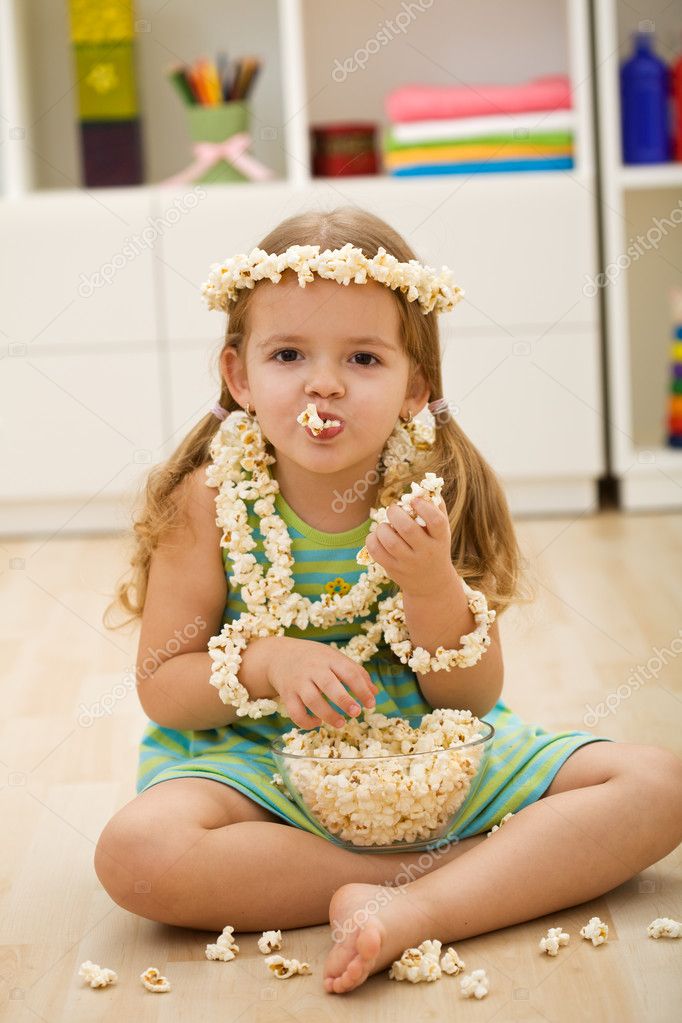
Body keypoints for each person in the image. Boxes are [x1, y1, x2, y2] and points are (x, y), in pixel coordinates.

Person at [94, 206, 682, 995]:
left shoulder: (435, 490)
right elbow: (164, 687)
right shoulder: (205, 501)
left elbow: (471, 696)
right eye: (288, 354)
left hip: (429, 754)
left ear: (416, 384)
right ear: (239, 375)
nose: (324, 383)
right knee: (136, 853)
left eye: (364, 357)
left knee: (658, 784)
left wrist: (431, 584)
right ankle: (458, 874)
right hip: (262, 764)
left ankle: (414, 906)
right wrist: (268, 662)